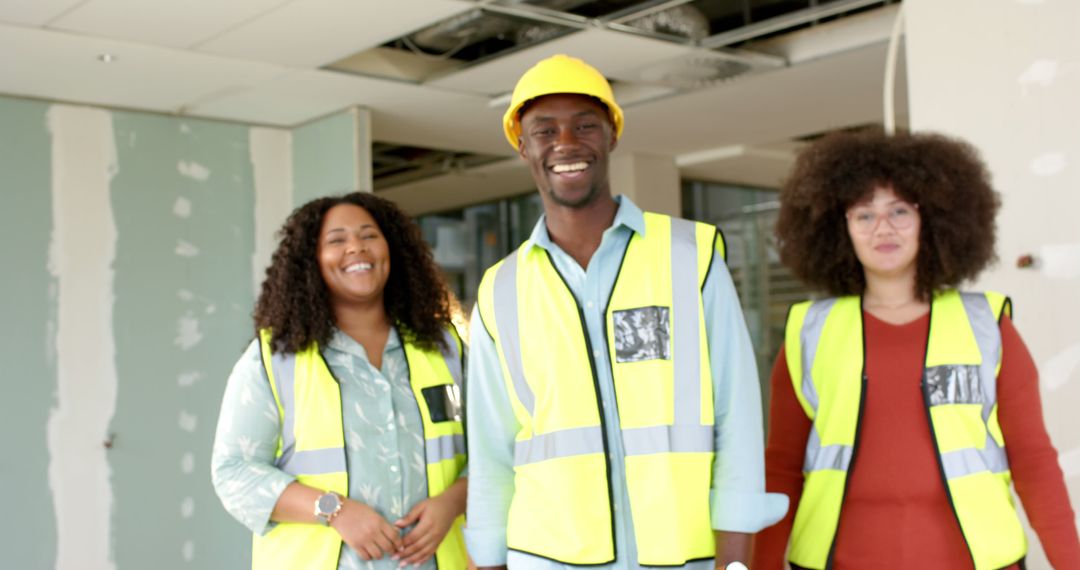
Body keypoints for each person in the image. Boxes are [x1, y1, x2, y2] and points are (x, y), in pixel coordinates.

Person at [464, 54, 788, 570]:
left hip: (683, 557)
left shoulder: (692, 256)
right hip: (546, 558)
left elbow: (738, 418)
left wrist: (735, 560)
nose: (566, 143)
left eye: (584, 125)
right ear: (523, 147)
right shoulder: (499, 289)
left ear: (611, 135)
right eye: (545, 130)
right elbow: (490, 452)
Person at [751, 129, 1080, 569]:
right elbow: (782, 469)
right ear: (838, 228)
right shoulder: (809, 332)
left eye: (899, 211)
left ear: (935, 220)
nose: (882, 227)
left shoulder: (988, 327)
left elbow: (1034, 461)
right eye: (863, 215)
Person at [211, 192, 468, 570]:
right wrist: (332, 510)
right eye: (336, 240)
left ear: (391, 248)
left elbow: (493, 450)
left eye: (369, 236)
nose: (356, 248)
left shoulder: (445, 347)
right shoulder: (275, 358)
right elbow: (233, 472)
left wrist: (453, 502)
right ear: (310, 261)